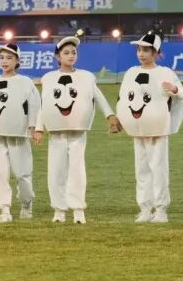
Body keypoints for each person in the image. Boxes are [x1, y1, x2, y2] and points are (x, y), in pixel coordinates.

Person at [32, 36, 120, 224]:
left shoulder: (86, 77)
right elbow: (44, 104)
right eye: (66, 53)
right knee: (56, 171)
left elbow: (98, 96)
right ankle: (59, 210)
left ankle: (78, 209)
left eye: (73, 52)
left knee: (77, 170)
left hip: (78, 132)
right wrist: (39, 128)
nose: (71, 55)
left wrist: (110, 116)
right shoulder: (49, 78)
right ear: (58, 57)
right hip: (56, 133)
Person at [115, 32, 183, 224]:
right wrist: (121, 119)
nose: (141, 54)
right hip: (138, 129)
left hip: (158, 129)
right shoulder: (131, 73)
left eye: (146, 50)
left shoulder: (165, 72)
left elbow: (181, 93)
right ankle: (145, 208)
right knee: (142, 169)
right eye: (139, 49)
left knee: (159, 168)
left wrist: (174, 89)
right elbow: (123, 98)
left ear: (156, 52)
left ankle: (161, 209)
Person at [0, 42, 41, 223]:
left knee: (22, 174)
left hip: (19, 135)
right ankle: (4, 209)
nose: (4, 61)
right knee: (0, 172)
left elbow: (35, 105)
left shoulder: (25, 82)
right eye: (2, 57)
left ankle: (26, 203)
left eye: (9, 58)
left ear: (17, 61)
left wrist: (35, 128)